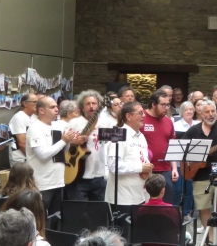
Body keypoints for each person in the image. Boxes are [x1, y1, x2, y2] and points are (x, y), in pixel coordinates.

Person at [181, 100, 217, 243]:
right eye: (207, 112)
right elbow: (182, 151)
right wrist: (192, 162)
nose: (211, 115)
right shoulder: (193, 130)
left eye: (213, 112)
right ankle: (210, 239)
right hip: (199, 175)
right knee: (203, 207)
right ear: (201, 113)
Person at [26, 96, 76, 229]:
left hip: (58, 180)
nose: (57, 109)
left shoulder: (57, 126)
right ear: (41, 110)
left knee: (55, 219)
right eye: (52, 107)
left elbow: (61, 151)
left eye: (56, 106)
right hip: (42, 183)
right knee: (40, 220)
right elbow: (42, 154)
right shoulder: (35, 128)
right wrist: (63, 141)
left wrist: (68, 140)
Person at [106, 101, 153, 235]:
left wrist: (147, 170)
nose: (143, 115)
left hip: (139, 196)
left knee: (135, 236)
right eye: (139, 113)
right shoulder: (119, 135)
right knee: (123, 237)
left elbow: (143, 160)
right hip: (122, 199)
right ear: (128, 116)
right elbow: (113, 166)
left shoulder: (141, 136)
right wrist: (140, 168)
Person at [67, 90, 112, 201]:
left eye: (94, 103)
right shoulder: (74, 123)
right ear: (82, 108)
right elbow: (63, 145)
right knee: (80, 210)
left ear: (99, 106)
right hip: (78, 174)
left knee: (99, 210)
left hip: (99, 174)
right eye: (88, 104)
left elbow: (111, 144)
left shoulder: (105, 123)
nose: (91, 107)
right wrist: (73, 142)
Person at [141, 89, 178, 204]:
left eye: (168, 105)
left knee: (167, 204)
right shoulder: (142, 118)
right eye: (163, 105)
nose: (166, 108)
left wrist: (175, 168)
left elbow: (172, 146)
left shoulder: (168, 121)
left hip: (166, 169)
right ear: (153, 104)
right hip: (147, 170)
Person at [173, 101, 198, 219]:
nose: (189, 111)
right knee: (178, 189)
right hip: (179, 162)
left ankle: (187, 212)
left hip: (192, 164)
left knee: (190, 189)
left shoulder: (198, 125)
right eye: (186, 109)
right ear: (181, 112)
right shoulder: (176, 125)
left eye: (191, 109)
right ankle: (175, 212)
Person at [9, 93, 38, 167]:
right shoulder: (19, 118)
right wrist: (34, 159)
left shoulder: (33, 117)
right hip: (21, 160)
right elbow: (22, 143)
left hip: (30, 158)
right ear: (25, 103)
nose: (37, 105)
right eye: (34, 102)